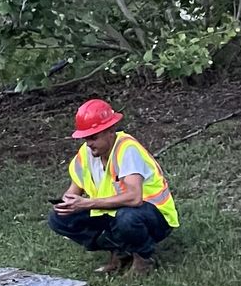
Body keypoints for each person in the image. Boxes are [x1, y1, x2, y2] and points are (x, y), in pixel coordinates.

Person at [49, 99, 178, 275]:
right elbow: (73, 190)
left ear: (110, 131)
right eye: (86, 138)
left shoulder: (127, 149)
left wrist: (87, 203)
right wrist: (66, 204)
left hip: (154, 216)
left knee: (127, 218)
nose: (88, 143)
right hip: (111, 213)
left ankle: (143, 259)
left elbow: (134, 198)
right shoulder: (86, 153)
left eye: (93, 137)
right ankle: (120, 251)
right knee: (59, 218)